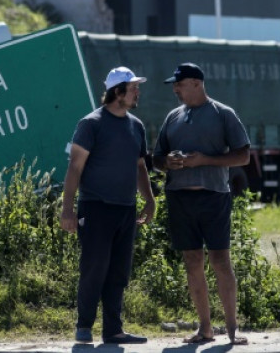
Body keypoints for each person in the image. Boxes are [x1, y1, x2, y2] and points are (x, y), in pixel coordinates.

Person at [151, 63, 251, 345]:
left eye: (179, 84)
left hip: (214, 196)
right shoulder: (173, 117)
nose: (175, 90)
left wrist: (204, 160)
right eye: (174, 85)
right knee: (192, 261)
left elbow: (243, 156)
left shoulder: (223, 114)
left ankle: (232, 330)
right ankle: (205, 329)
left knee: (221, 261)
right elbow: (156, 159)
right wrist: (167, 163)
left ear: (196, 83)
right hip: (179, 197)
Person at [60, 66, 156, 345]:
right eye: (134, 87)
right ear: (118, 92)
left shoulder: (136, 125)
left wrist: (149, 200)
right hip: (96, 208)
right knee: (94, 268)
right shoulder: (91, 124)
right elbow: (75, 168)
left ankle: (113, 330)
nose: (138, 92)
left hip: (126, 209)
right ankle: (83, 327)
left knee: (118, 272)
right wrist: (68, 209)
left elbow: (140, 166)